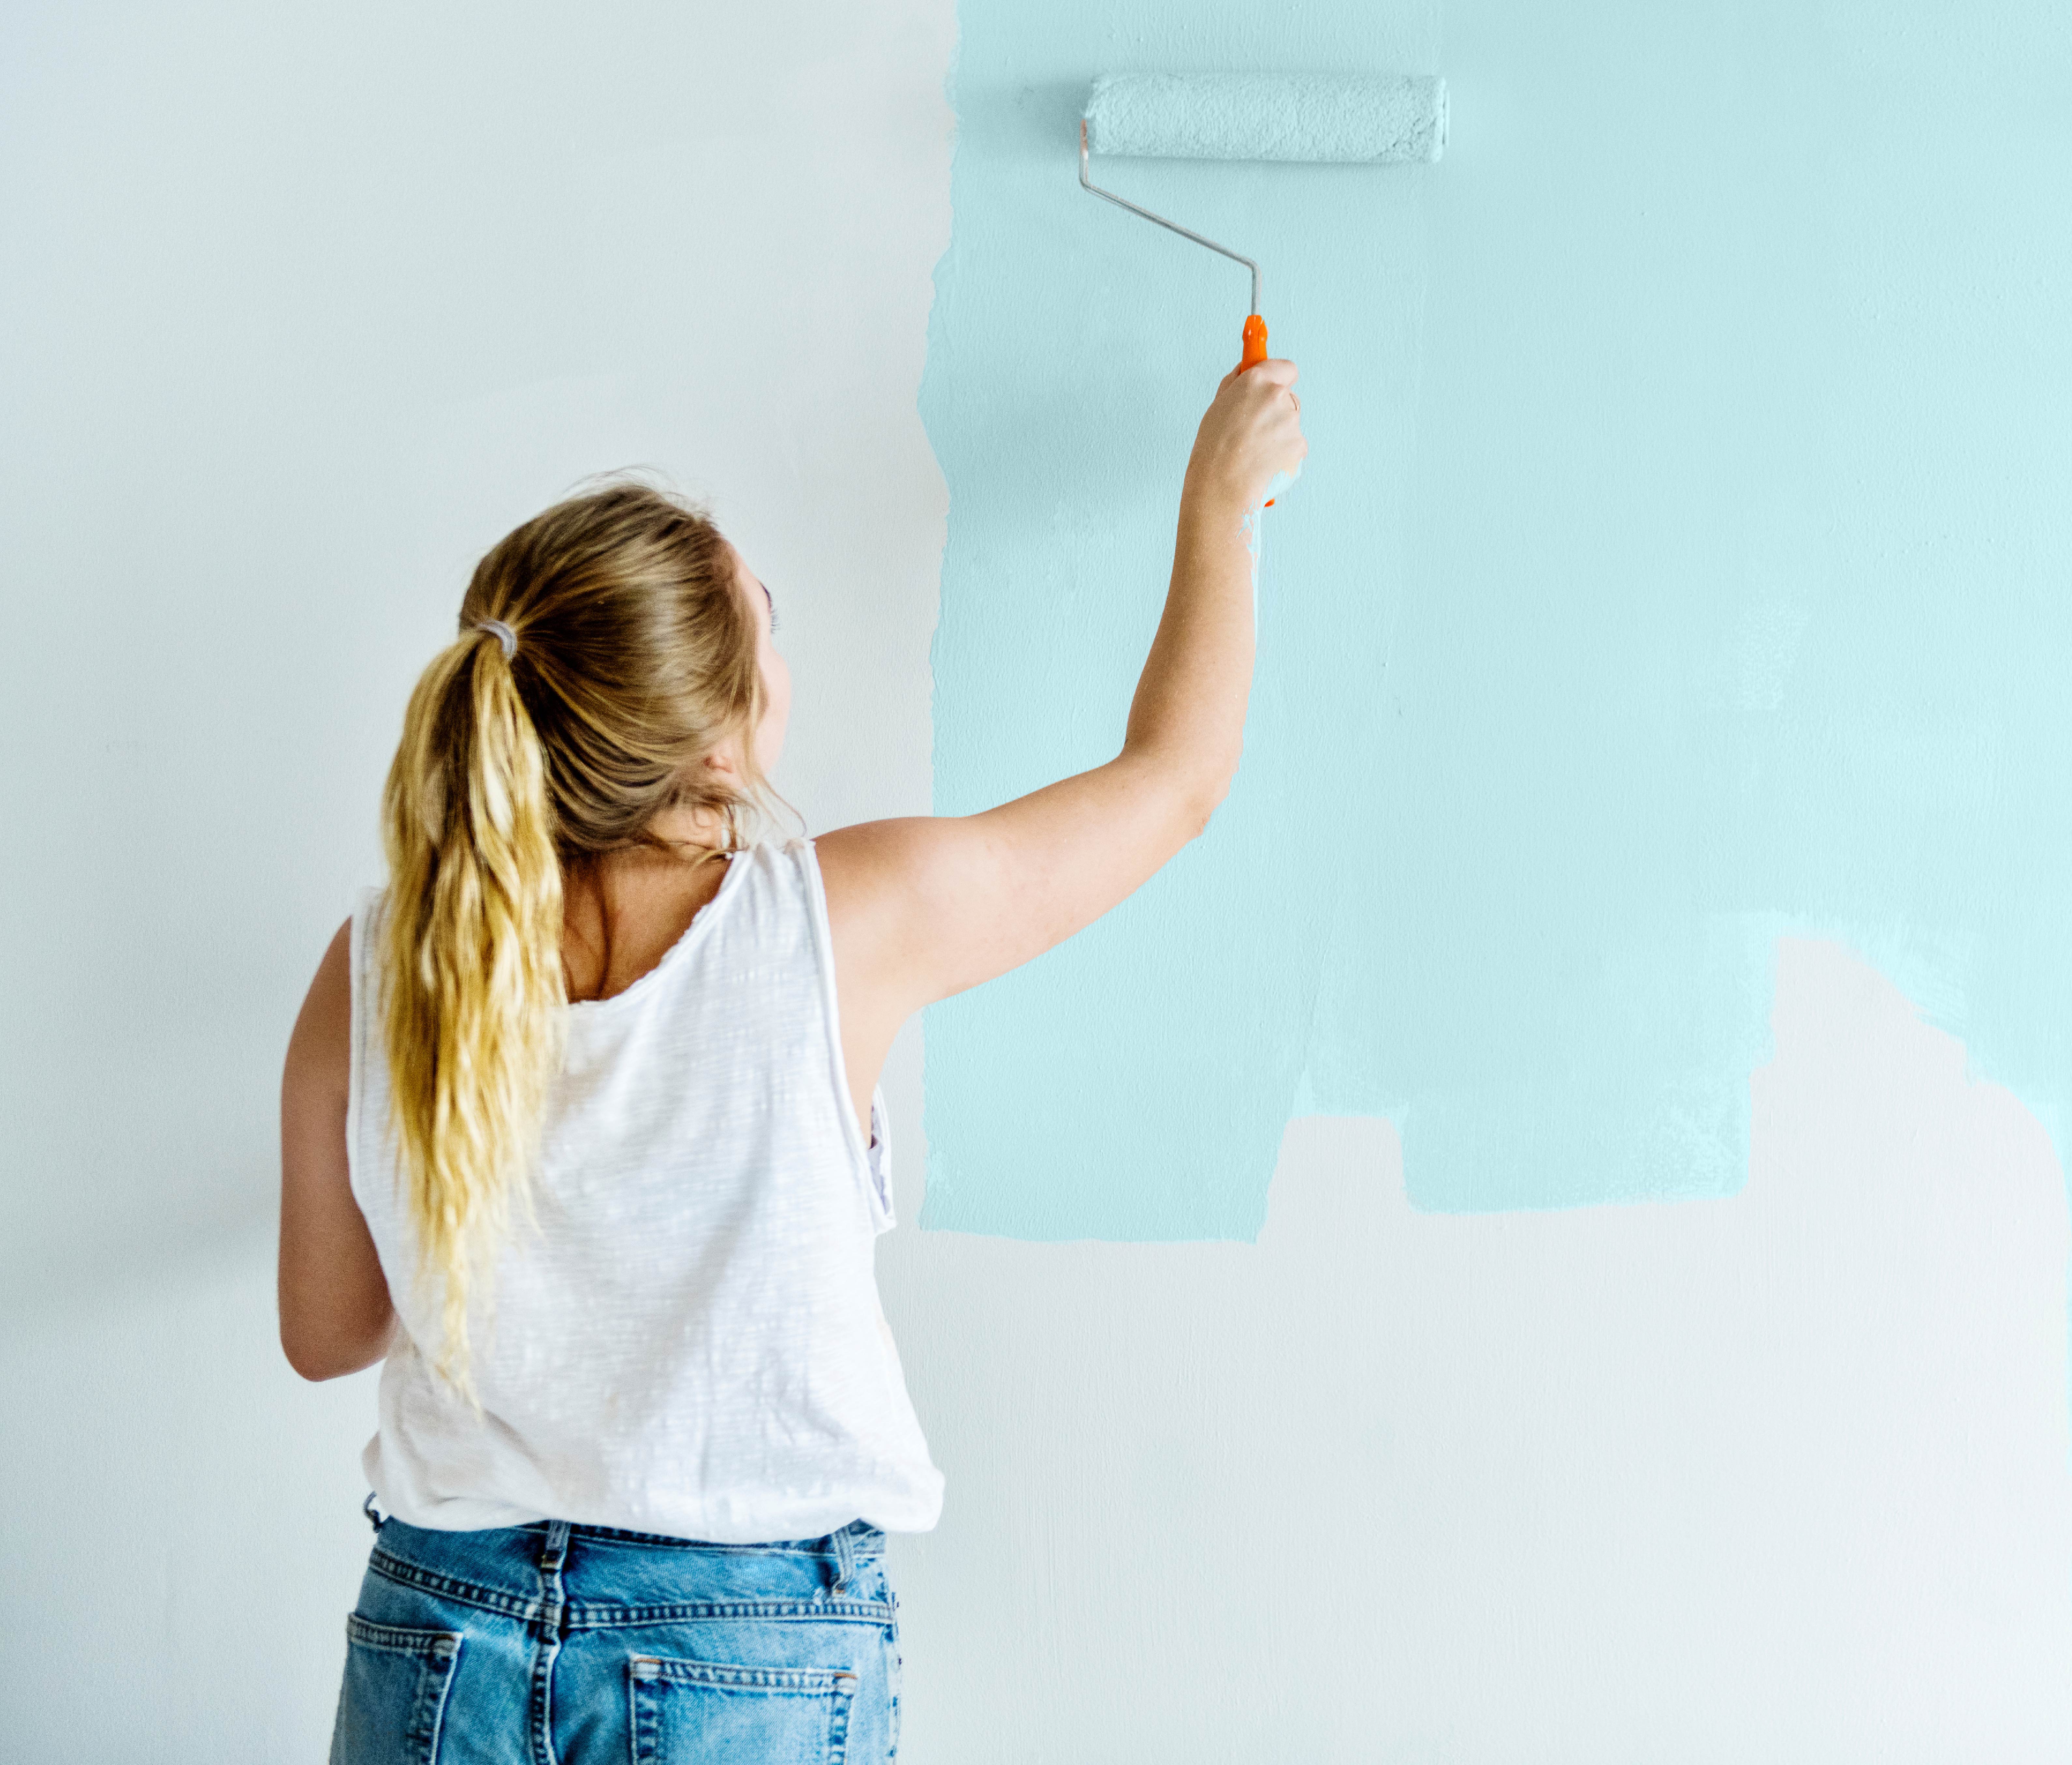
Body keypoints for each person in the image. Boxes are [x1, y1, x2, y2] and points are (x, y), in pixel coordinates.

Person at [276, 358, 1306, 1763]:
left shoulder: (382, 952)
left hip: (440, 1629)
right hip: (741, 1648)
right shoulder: (838, 923)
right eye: (770, 621)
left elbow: (327, 1328)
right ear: (714, 733)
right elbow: (1174, 779)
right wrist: (1220, 501)